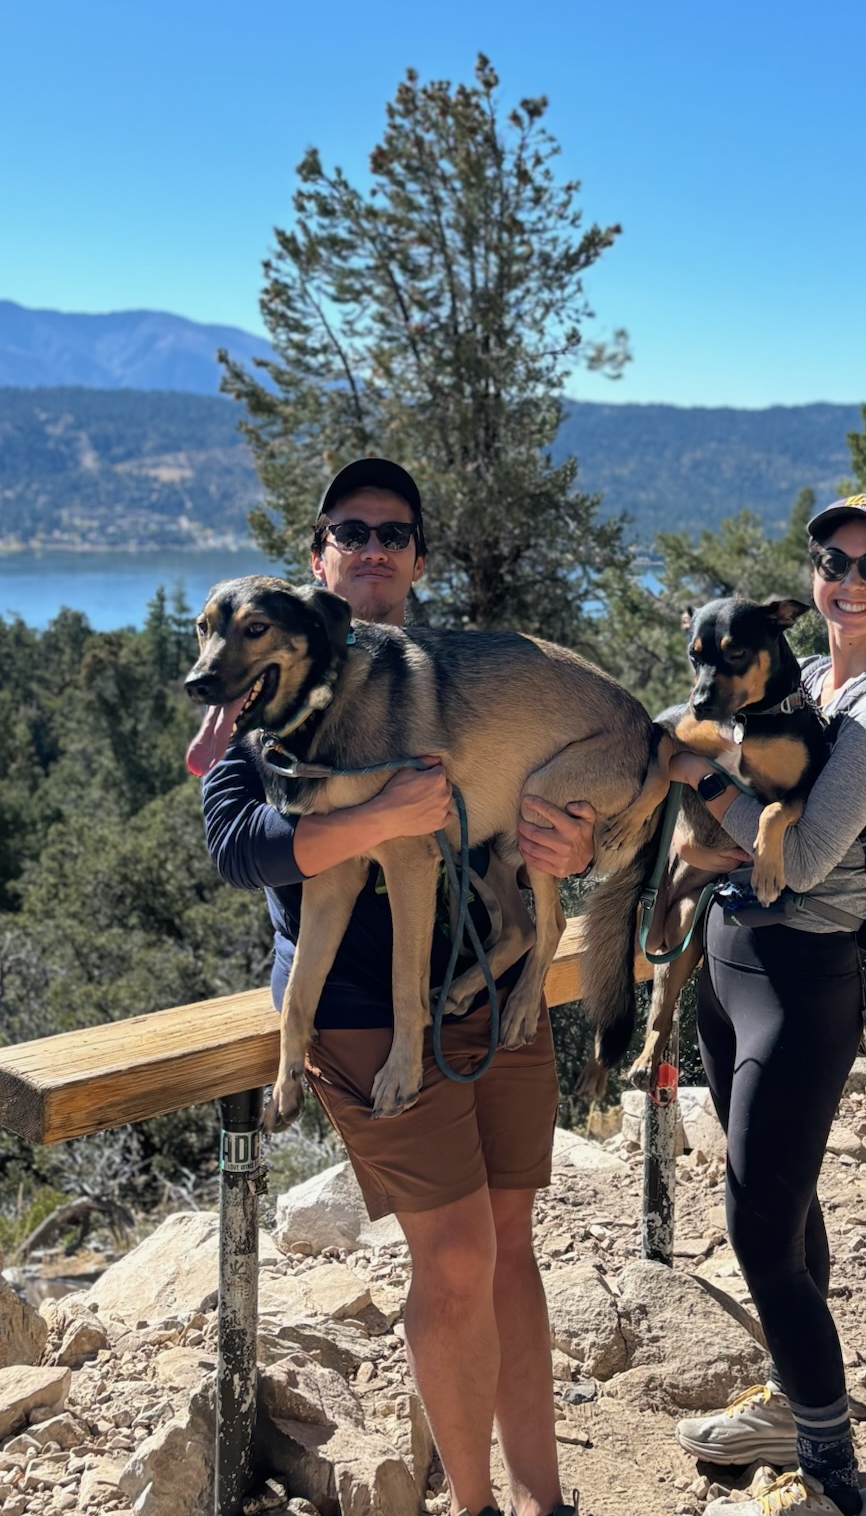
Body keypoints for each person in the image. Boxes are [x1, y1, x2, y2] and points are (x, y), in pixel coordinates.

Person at [197, 459, 594, 1516]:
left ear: (417, 557)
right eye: (349, 530)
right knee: (458, 1259)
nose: (372, 547)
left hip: (497, 983)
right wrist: (379, 819)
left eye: (393, 532)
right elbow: (237, 843)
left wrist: (574, 834)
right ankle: (474, 1508)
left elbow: (545, 794)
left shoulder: (449, 673)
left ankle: (544, 1502)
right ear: (318, 558)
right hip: (368, 1010)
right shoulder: (263, 678)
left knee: (512, 1246)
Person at [663, 494, 866, 1516]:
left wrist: (687, 768)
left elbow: (797, 863)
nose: (849, 581)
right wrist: (721, 812)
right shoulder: (809, 678)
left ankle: (828, 1464)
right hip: (729, 962)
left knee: (757, 1229)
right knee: (778, 1196)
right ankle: (794, 1399)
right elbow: (737, 819)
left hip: (802, 982)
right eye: (833, 561)